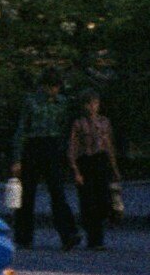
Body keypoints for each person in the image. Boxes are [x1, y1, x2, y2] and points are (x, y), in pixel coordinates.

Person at [11, 70, 79, 250]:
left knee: (58, 192)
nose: (54, 91)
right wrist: (17, 158)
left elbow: (65, 127)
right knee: (27, 195)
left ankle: (68, 234)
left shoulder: (62, 103)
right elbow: (22, 130)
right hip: (33, 146)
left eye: (56, 87)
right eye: (51, 87)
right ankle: (23, 236)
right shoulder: (31, 102)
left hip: (52, 146)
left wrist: (63, 150)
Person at [69, 89, 119, 251]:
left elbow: (109, 145)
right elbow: (73, 148)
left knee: (103, 198)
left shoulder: (104, 122)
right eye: (89, 103)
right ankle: (94, 239)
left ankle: (102, 227)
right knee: (88, 201)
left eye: (95, 103)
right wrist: (75, 170)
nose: (92, 107)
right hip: (86, 163)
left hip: (101, 161)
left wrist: (114, 167)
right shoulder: (78, 124)